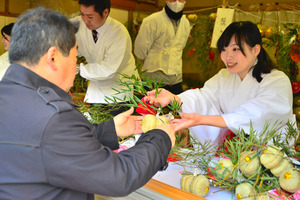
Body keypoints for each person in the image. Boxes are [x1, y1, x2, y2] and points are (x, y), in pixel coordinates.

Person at [0, 7, 177, 199]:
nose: (75, 67)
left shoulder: (11, 96)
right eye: (75, 58)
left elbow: (47, 145)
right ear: (53, 57)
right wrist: (160, 138)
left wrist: (108, 130)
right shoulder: (53, 116)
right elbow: (118, 177)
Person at [145, 21, 296, 148]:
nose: (228, 57)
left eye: (235, 49)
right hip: (236, 153)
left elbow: (257, 114)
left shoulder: (277, 80)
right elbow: (204, 97)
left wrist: (203, 120)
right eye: (224, 50)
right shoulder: (225, 76)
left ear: (255, 49)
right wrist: (173, 98)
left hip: (270, 153)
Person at [73, 0, 138, 115]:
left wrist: (78, 69)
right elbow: (59, 30)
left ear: (105, 12)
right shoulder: (80, 23)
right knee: (96, 128)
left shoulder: (118, 33)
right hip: (96, 91)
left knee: (117, 130)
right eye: (82, 14)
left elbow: (108, 69)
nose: (85, 20)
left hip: (118, 95)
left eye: (90, 16)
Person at [134, 0, 191, 95]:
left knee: (178, 109)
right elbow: (140, 50)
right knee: (151, 109)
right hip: (154, 79)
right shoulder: (151, 20)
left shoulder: (186, 23)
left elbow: (181, 47)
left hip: (176, 79)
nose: (177, 2)